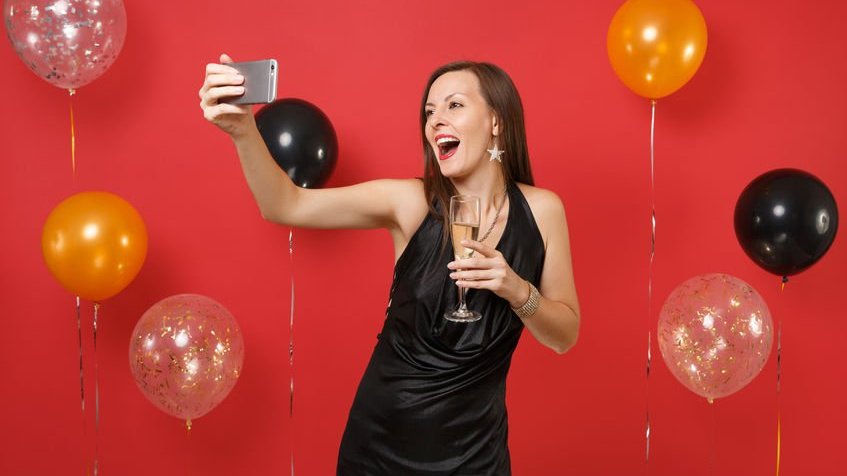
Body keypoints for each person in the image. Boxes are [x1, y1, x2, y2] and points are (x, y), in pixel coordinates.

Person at [199, 55, 580, 475]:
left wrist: (517, 290)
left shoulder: (543, 211)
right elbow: (283, 204)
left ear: (496, 121)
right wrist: (242, 131)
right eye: (429, 112)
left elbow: (564, 336)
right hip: (381, 444)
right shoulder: (409, 202)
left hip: (476, 453)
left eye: (454, 105)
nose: (435, 121)